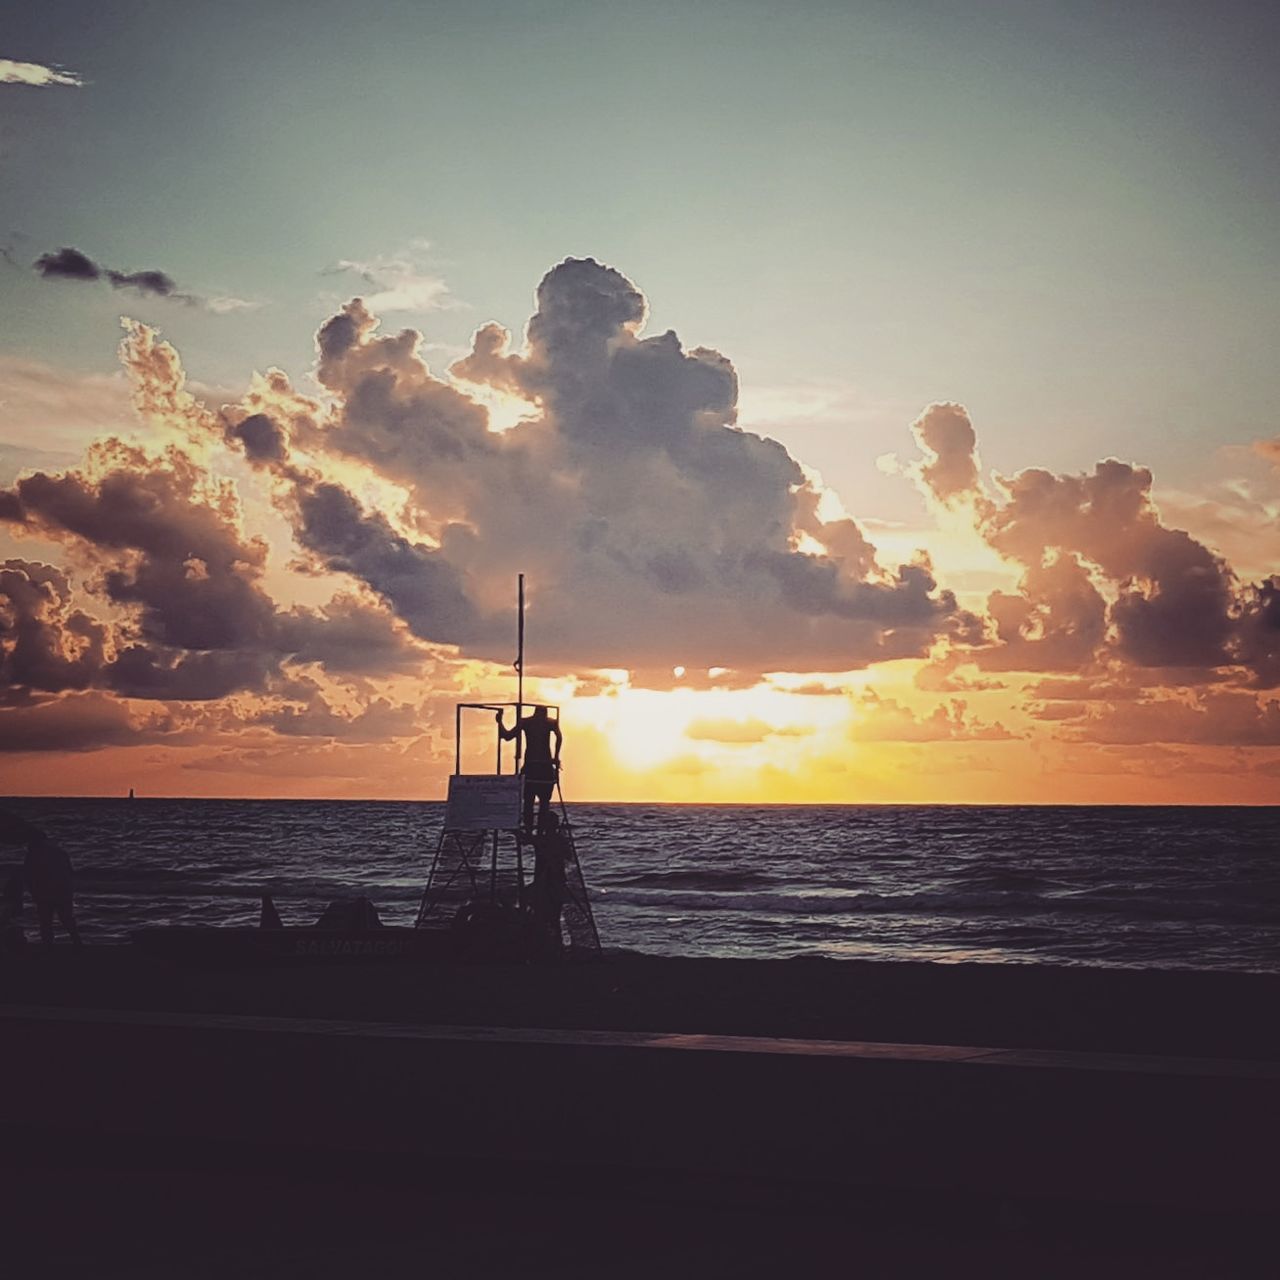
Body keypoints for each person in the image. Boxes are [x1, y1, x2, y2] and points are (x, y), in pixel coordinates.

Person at [497, 704, 562, 833]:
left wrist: (556, 757)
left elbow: (507, 736)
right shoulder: (534, 722)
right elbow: (507, 736)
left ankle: (534, 831)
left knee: (536, 802)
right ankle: (533, 830)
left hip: (541, 767)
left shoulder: (545, 723)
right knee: (534, 802)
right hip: (537, 767)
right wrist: (500, 722)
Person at [24, 830, 82, 947]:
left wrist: (33, 892)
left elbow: (29, 875)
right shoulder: (59, 852)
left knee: (45, 921)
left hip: (45, 892)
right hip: (63, 890)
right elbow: (70, 872)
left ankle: (48, 946)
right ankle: (77, 943)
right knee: (66, 918)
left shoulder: (33, 854)